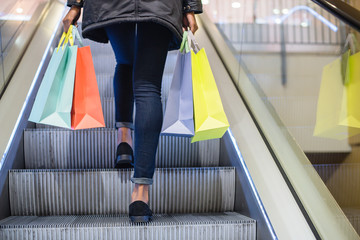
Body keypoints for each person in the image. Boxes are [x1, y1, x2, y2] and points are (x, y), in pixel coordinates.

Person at [63, 0, 202, 223]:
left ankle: (124, 140)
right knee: (147, 86)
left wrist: (75, 5)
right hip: (160, 6)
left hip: (113, 4)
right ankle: (140, 194)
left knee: (125, 61)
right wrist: (190, 7)